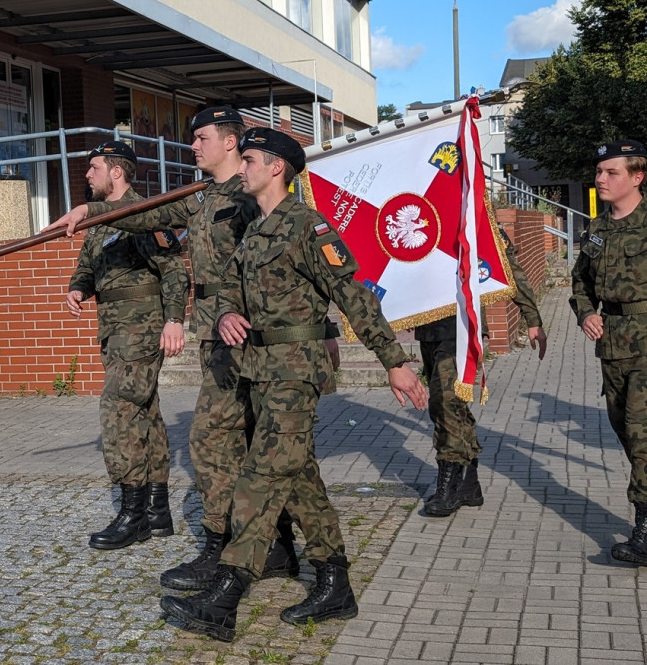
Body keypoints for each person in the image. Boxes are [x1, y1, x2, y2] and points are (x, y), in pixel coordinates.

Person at [158, 127, 428, 643]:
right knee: (300, 478)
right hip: (259, 369)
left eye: (251, 160)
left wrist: (394, 361)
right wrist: (227, 316)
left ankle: (227, 594)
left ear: (277, 167)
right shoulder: (255, 231)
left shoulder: (309, 227)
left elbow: (354, 296)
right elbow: (234, 293)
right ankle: (334, 583)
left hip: (294, 373)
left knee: (260, 475)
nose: (242, 169)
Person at [47, 108, 332, 586]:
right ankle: (254, 548)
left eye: (200, 138)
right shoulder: (198, 199)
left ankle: (270, 550)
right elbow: (144, 213)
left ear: (229, 143)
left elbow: (300, 268)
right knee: (228, 443)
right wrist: (88, 211)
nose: (192, 147)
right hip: (222, 342)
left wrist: (324, 332)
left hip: (266, 346)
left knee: (247, 446)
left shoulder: (253, 197)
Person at [66, 141, 189, 550]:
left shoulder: (144, 213)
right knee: (144, 411)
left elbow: (173, 271)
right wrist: (78, 289)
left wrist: (174, 320)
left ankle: (131, 512)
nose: (88, 175)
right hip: (113, 331)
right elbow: (87, 265)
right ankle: (156, 510)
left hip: (142, 329)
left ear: (117, 172)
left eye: (94, 167)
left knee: (118, 411)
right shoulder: (101, 222)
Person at [418, 229, 547, 517]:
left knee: (445, 400)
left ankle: (448, 486)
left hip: (462, 326)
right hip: (427, 326)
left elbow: (509, 271)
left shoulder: (474, 218)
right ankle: (469, 483)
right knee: (447, 407)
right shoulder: (425, 212)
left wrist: (532, 319)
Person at [570, 138, 647, 566]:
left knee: (641, 434)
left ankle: (644, 531)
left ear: (637, 176)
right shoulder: (596, 230)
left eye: (611, 172)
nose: (600, 179)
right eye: (599, 172)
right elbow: (580, 283)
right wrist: (584, 314)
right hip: (613, 345)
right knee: (625, 431)